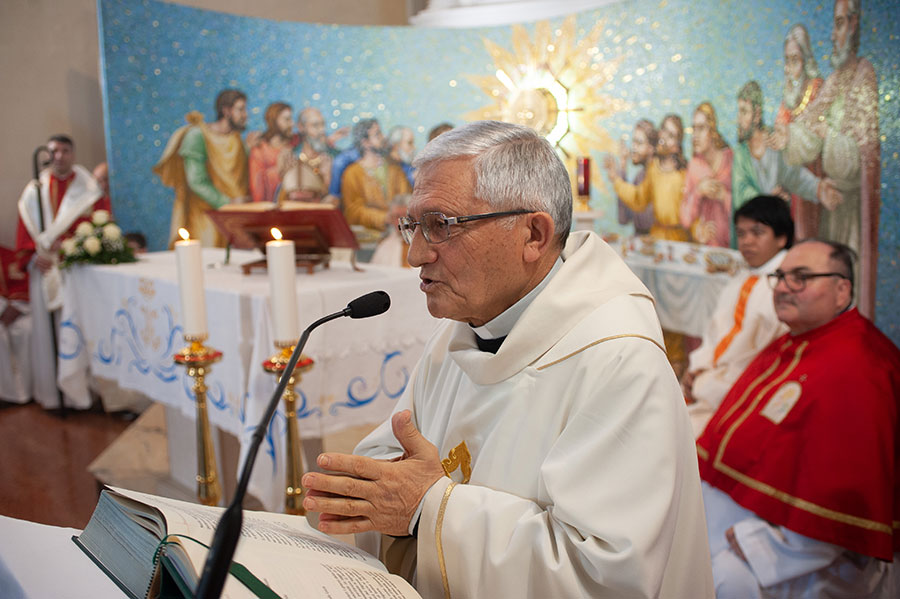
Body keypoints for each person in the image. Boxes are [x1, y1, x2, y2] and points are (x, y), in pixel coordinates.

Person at [301, 120, 714, 598]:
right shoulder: (461, 331)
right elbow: (396, 463)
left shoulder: (619, 361)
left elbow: (601, 577)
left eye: (440, 225)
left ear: (534, 234)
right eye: (412, 224)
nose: (415, 254)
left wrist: (427, 507)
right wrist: (379, 488)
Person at [697, 239, 900, 598]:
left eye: (801, 277)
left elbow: (845, 502)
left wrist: (763, 545)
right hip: (739, 517)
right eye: (781, 276)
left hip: (801, 559)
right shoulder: (796, 341)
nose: (784, 287)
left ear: (842, 290)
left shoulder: (861, 366)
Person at [774, 0, 880, 319]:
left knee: (845, 295)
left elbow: (858, 157)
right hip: (828, 210)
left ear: (854, 25)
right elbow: (807, 132)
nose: (833, 35)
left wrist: (827, 135)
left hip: (849, 211)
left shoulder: (863, 75)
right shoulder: (835, 80)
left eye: (838, 24)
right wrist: (788, 138)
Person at [682, 195, 793, 436]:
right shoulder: (740, 281)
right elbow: (714, 334)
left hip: (746, 389)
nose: (747, 242)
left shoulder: (786, 287)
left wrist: (713, 379)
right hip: (715, 382)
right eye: (741, 234)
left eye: (757, 232)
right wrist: (698, 367)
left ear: (782, 237)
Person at [16, 134, 106, 409]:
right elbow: (25, 228)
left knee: (77, 328)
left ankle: (80, 393)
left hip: (74, 269)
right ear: (47, 154)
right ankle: (52, 396)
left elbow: (99, 226)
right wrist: (33, 255)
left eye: (65, 150)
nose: (59, 156)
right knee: (47, 332)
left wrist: (68, 245)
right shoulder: (34, 190)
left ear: (73, 154)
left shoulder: (88, 189)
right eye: (54, 151)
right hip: (43, 269)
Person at [731, 80, 841, 247]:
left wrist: (819, 189)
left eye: (744, 112)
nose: (739, 119)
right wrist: (769, 199)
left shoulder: (775, 142)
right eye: (739, 112)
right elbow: (741, 192)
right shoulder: (741, 154)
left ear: (757, 114)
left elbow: (794, 176)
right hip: (750, 238)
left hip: (774, 236)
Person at [153, 88, 251, 247]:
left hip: (233, 218)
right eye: (241, 109)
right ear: (226, 111)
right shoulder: (197, 135)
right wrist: (227, 203)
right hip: (205, 218)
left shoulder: (238, 140)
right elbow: (196, 181)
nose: (245, 115)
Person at [772, 24, 825, 239]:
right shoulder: (789, 96)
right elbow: (779, 134)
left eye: (795, 60)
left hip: (814, 172)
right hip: (792, 178)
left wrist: (789, 136)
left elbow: (817, 136)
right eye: (787, 60)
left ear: (806, 60)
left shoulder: (818, 88)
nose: (790, 67)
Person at [605, 113, 689, 242]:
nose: (664, 137)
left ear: (677, 146)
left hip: (678, 239)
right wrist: (616, 178)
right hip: (656, 238)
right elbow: (638, 199)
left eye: (671, 135)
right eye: (664, 130)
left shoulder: (684, 173)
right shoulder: (654, 168)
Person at [340, 118, 411, 235]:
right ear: (365, 142)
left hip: (399, 233)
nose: (383, 137)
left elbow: (407, 196)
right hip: (369, 237)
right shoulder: (352, 173)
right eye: (377, 134)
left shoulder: (394, 168)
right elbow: (353, 211)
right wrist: (384, 218)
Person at [680, 102, 734, 247]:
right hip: (707, 248)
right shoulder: (694, 166)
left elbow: (747, 210)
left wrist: (724, 196)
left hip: (734, 247)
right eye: (694, 129)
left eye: (701, 128)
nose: (695, 136)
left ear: (713, 129)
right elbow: (685, 218)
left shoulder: (731, 160)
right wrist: (698, 191)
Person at [281, 107, 346, 203]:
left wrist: (327, 177)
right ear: (301, 127)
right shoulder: (291, 156)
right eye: (315, 125)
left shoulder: (337, 157)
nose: (321, 130)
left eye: (323, 125)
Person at [613, 119, 657, 235]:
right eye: (633, 142)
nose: (633, 148)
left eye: (639, 143)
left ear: (651, 148)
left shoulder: (656, 177)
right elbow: (623, 219)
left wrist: (618, 179)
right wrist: (622, 166)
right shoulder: (640, 176)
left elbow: (644, 218)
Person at [0, 245, 32, 403]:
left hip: (18, 309)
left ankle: (29, 391)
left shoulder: (9, 255)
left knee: (28, 328)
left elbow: (26, 284)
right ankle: (5, 394)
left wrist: (18, 307)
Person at [248, 102, 292, 203]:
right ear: (274, 121)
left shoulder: (293, 146)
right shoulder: (260, 150)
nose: (291, 123)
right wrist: (279, 170)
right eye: (287, 120)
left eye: (291, 119)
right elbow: (256, 188)